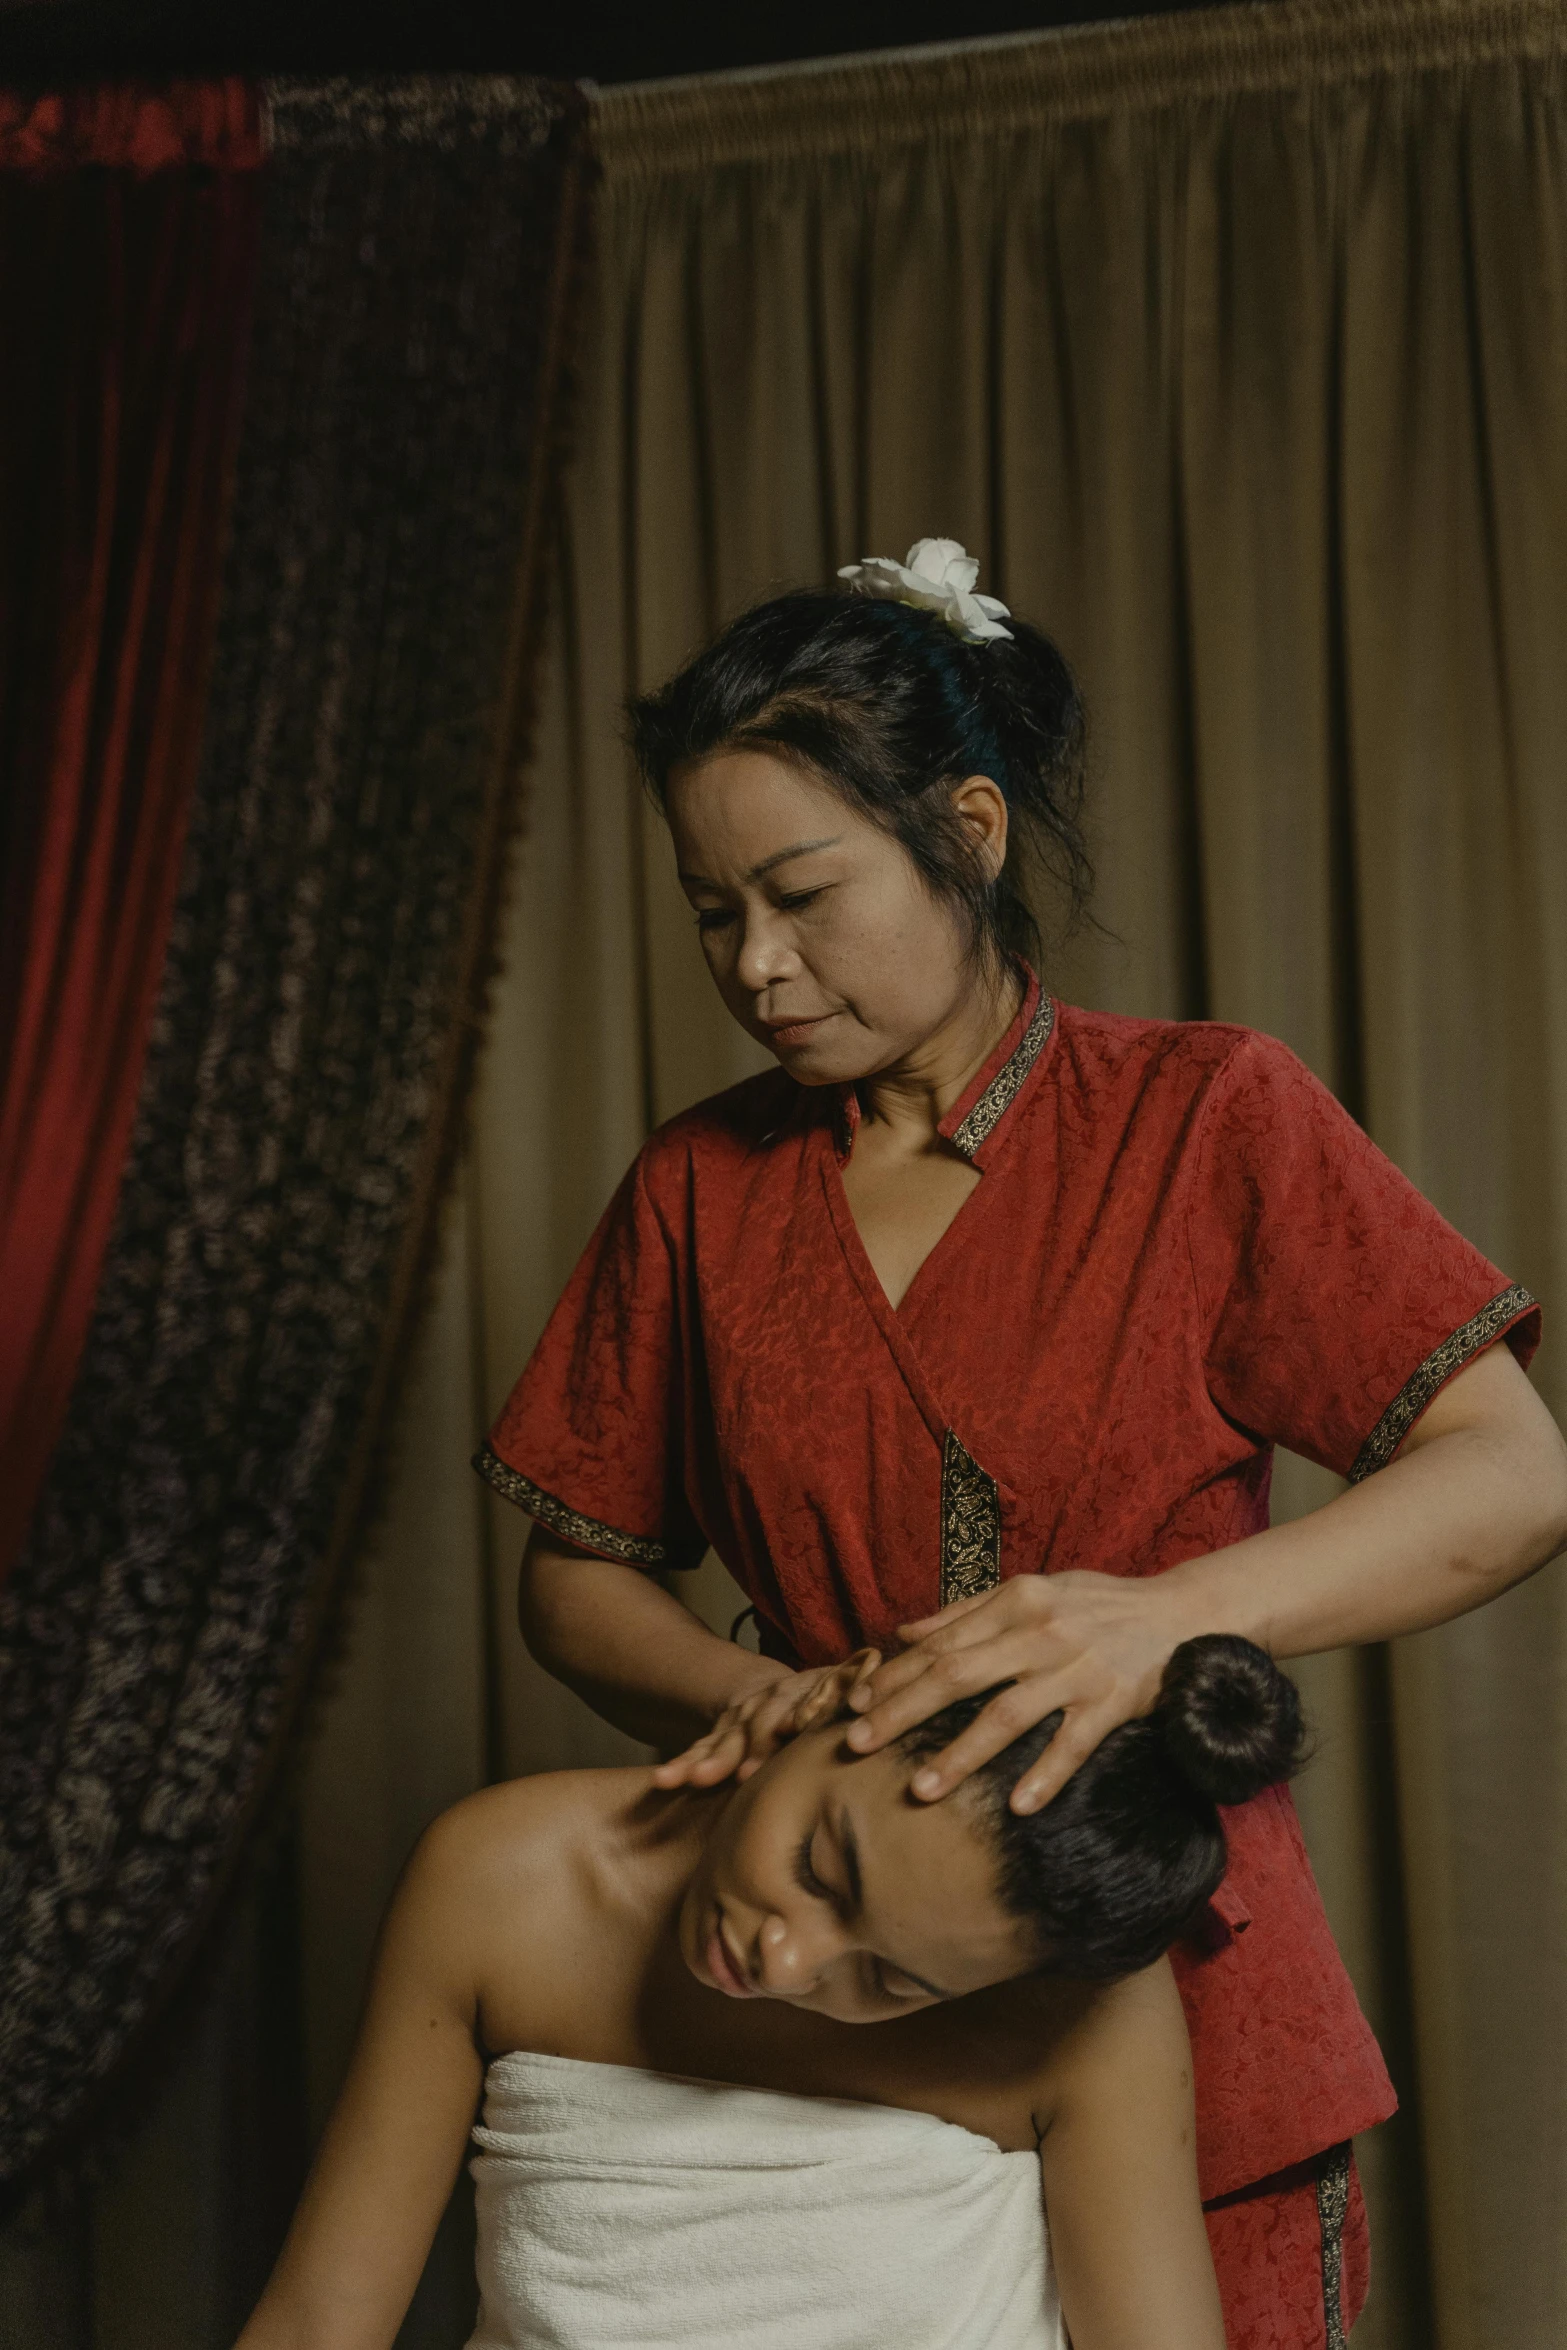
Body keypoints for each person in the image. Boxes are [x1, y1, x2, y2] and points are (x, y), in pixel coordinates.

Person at [476, 540, 1567, 2347]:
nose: (755, 963)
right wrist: (757, 1710)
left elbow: (1513, 1472)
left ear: (966, 830)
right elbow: (571, 1583)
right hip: (831, 2009)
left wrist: (1145, 1622)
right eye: (709, 911)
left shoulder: (1205, 1114)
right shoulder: (697, 1182)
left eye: (803, 894)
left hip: (1176, 1994)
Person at [236, 1632, 1303, 2350]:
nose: (786, 1965)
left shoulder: (1084, 2019)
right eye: (818, 1866)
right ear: (841, 1699)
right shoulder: (504, 1881)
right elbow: (323, 2318)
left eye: (890, 1980)